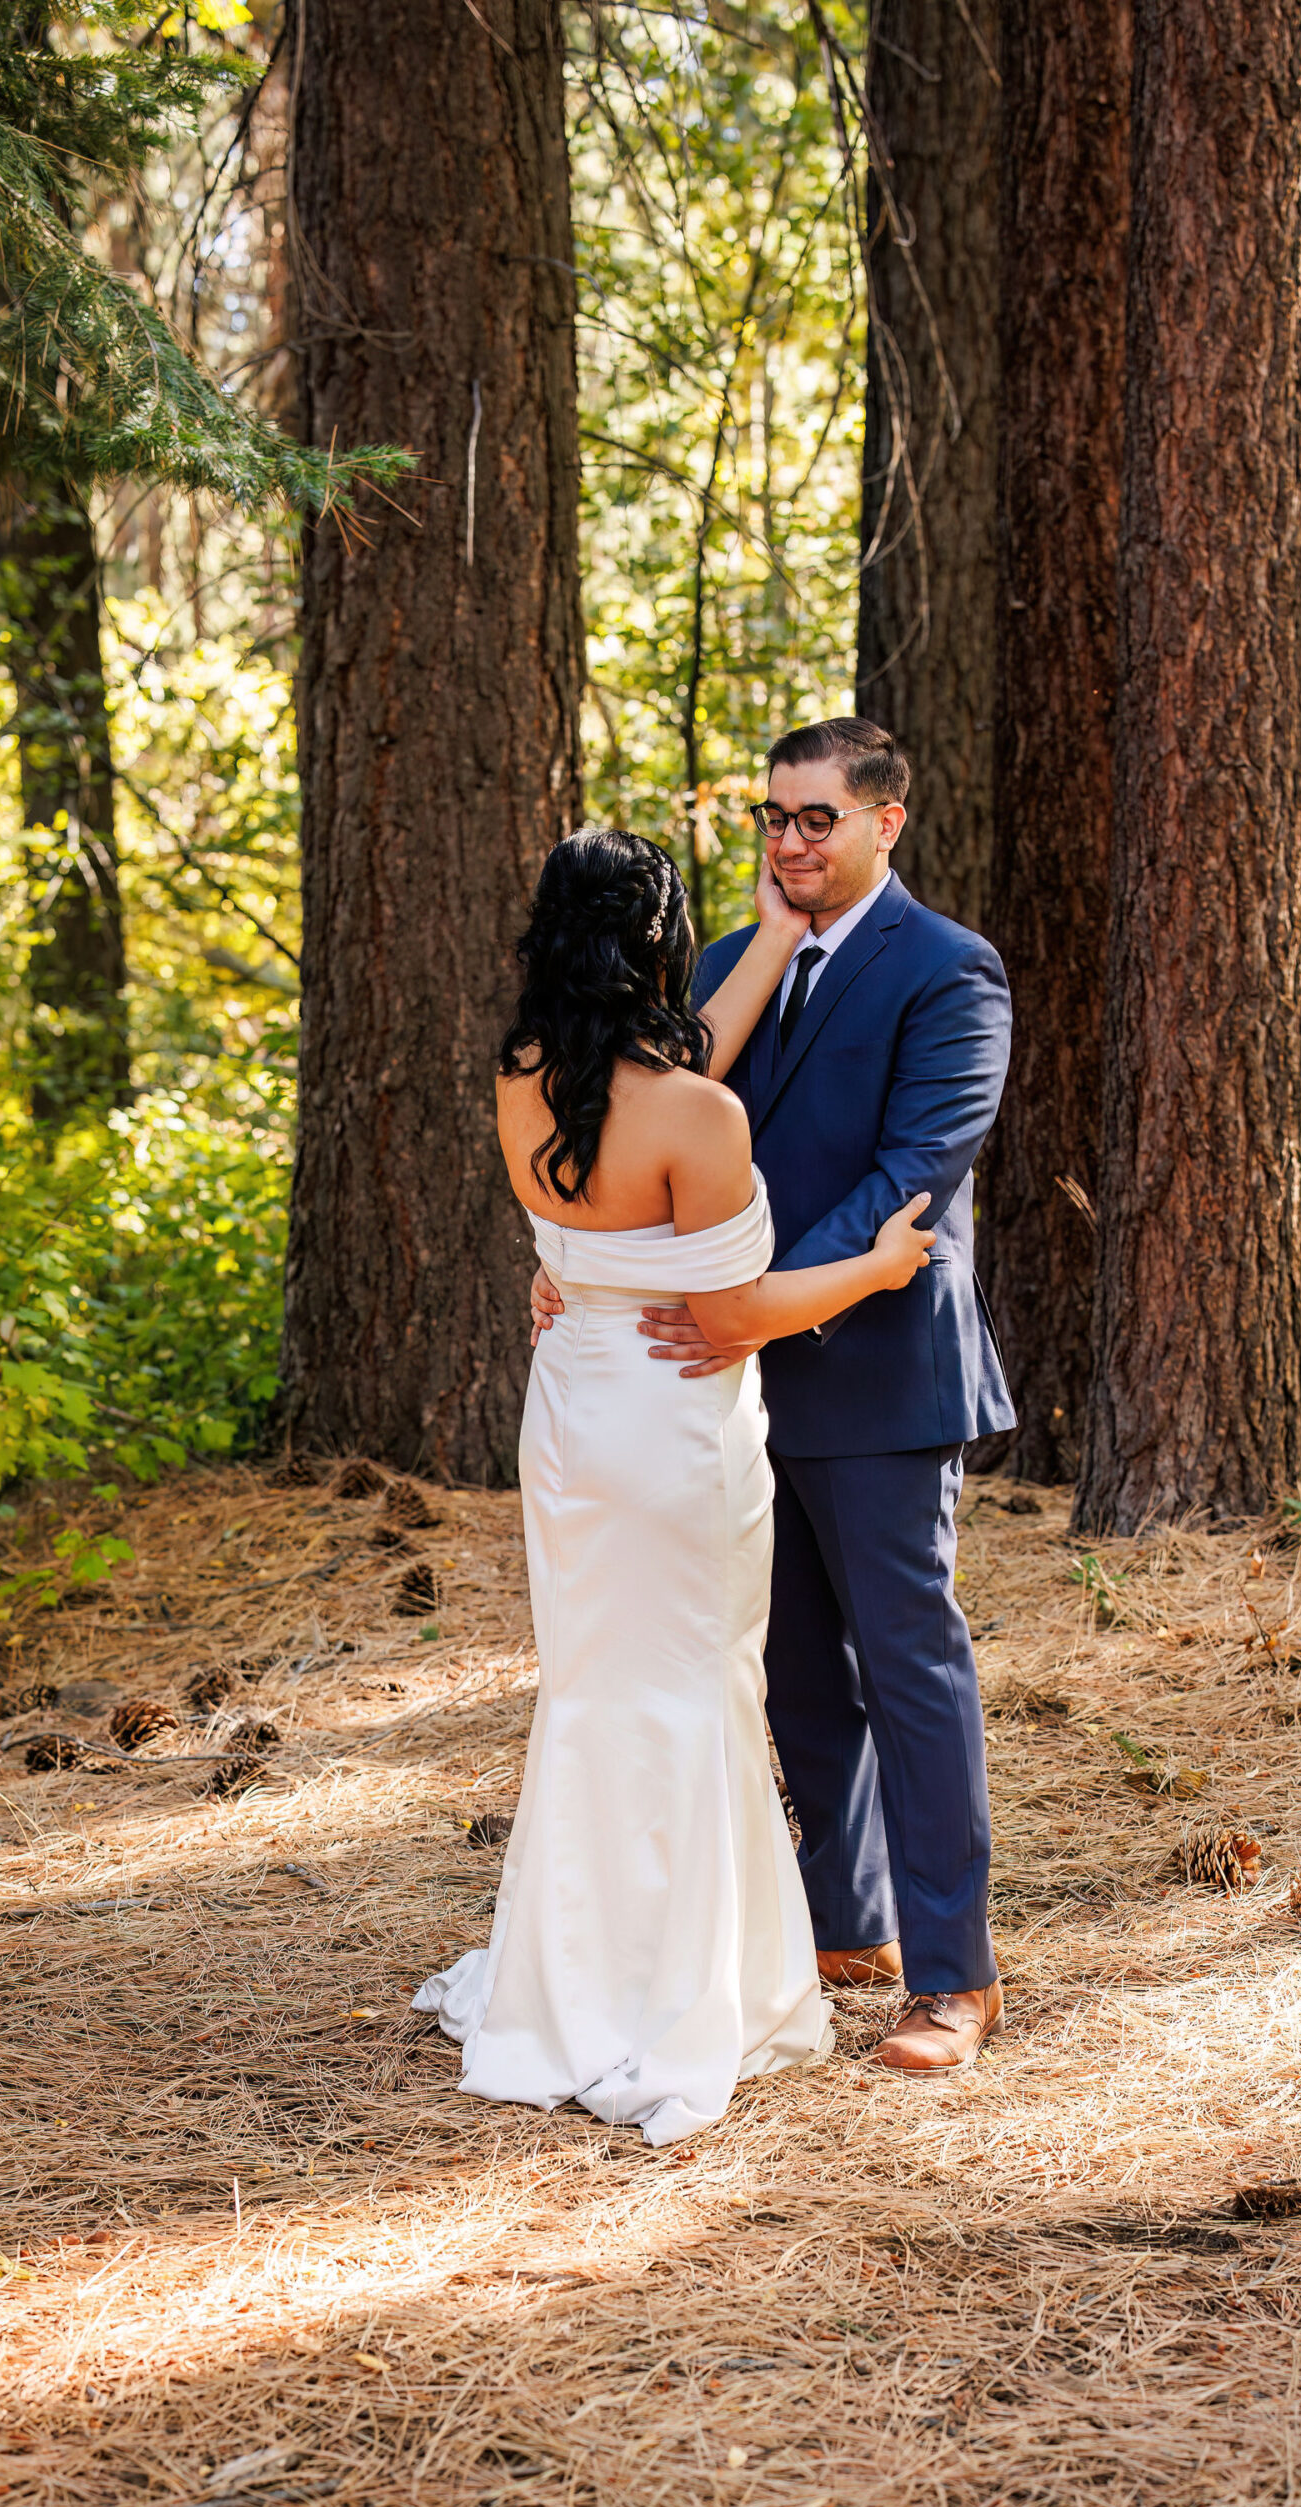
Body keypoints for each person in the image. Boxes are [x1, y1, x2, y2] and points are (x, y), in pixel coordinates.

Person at [412, 825, 937, 2146]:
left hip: (573, 1418)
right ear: (656, 943)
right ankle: (690, 1987)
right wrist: (875, 1270)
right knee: (697, 1685)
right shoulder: (701, 1118)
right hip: (673, 1435)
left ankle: (573, 1973)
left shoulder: (524, 1077)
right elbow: (733, 1309)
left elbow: (647, 1109)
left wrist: (765, 941)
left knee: (600, 1688)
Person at [535, 718, 1016, 2075]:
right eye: (774, 818)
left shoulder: (947, 972)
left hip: (872, 1373)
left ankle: (952, 1980)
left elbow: (911, 1176)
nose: (791, 842)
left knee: (911, 1671)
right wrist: (596, 1268)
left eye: (817, 818)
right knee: (794, 1675)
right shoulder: (728, 969)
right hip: (723, 1396)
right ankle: (841, 1923)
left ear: (886, 820)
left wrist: (740, 1303)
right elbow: (633, 1123)